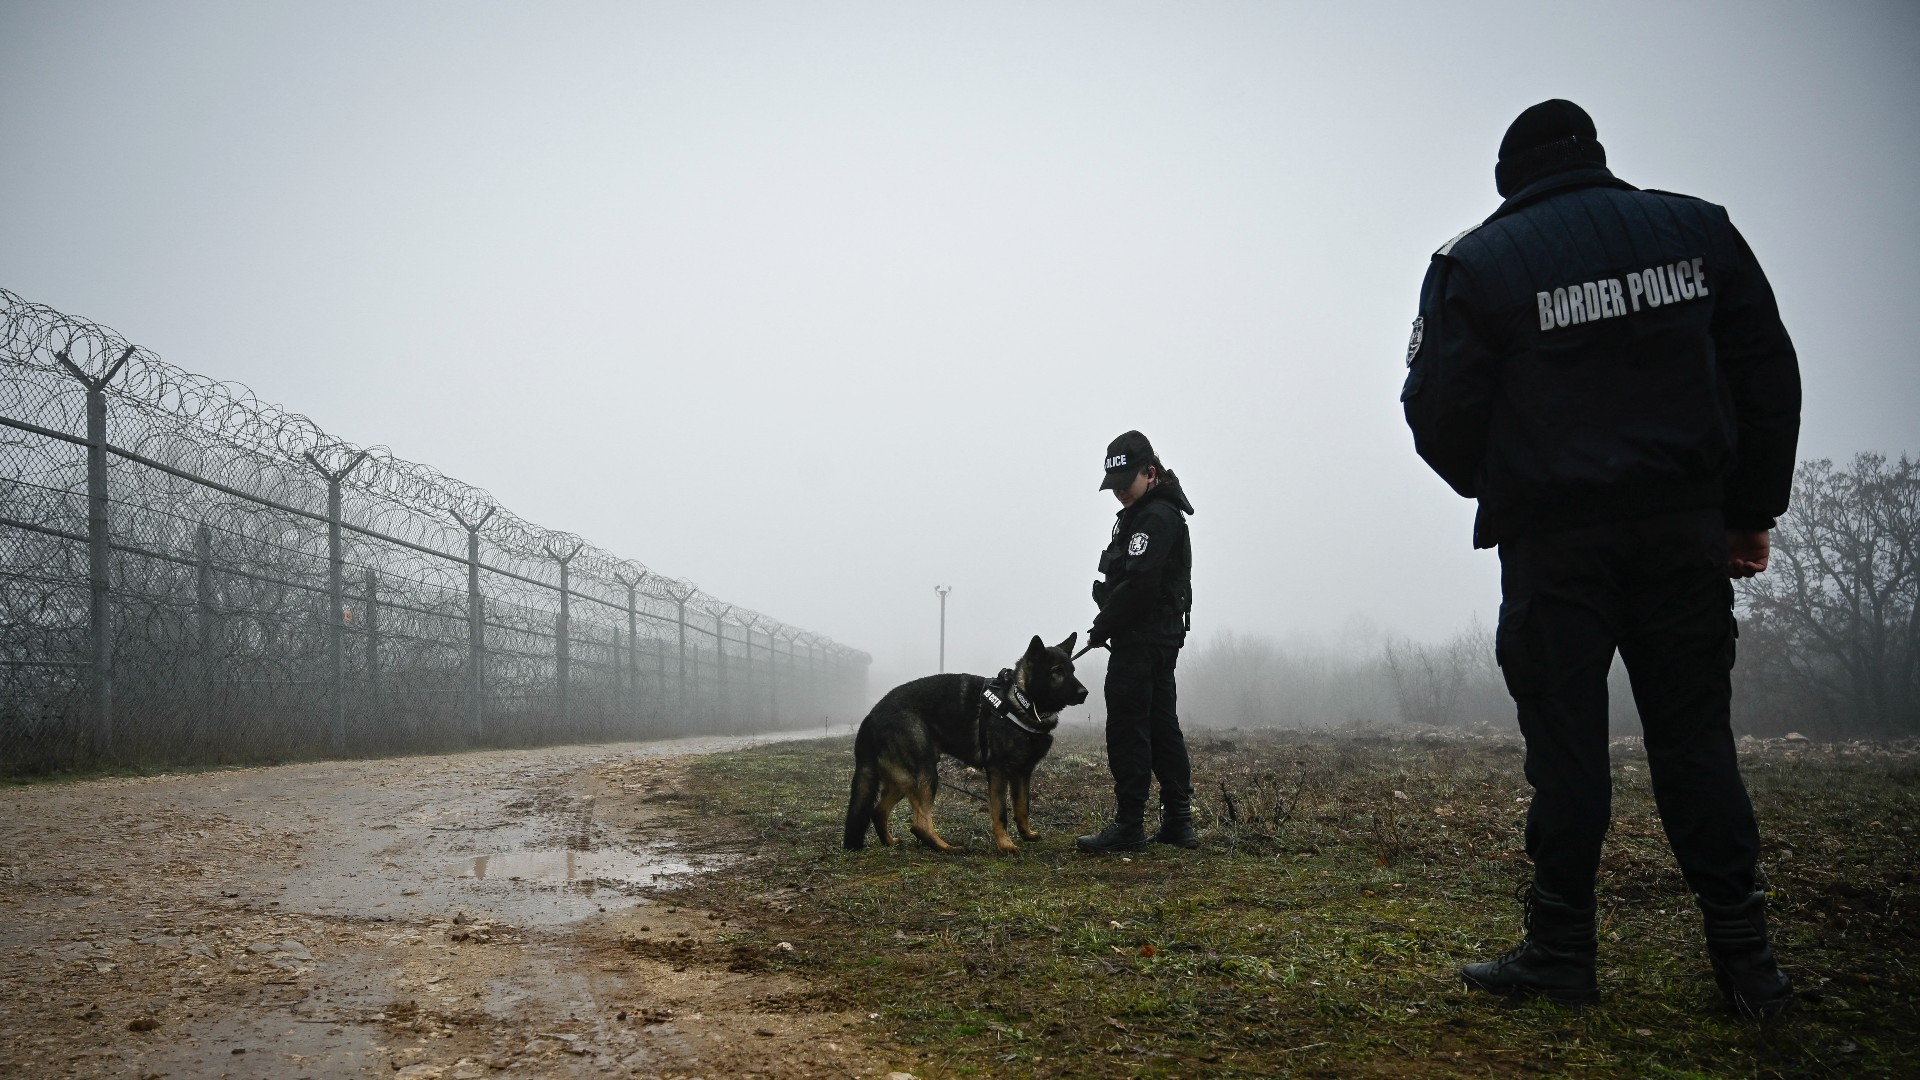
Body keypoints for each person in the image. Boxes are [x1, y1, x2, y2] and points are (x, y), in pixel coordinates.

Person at [1401, 99, 1801, 1018]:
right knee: (1697, 741)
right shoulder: (1698, 232)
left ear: (1511, 179)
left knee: (1568, 750)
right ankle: (1748, 965)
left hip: (1556, 548)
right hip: (1682, 533)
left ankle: (1561, 954)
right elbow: (1766, 372)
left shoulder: (1477, 264)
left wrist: (1509, 483)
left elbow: (1435, 411)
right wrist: (1747, 511)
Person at [1076, 430, 1198, 854]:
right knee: (1163, 725)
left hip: (1142, 640)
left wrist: (1102, 625)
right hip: (1159, 638)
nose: (1120, 493)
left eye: (1126, 483)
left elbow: (1140, 584)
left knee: (1129, 728)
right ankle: (1178, 823)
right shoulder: (1149, 512)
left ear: (1150, 472)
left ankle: (1130, 824)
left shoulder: (1155, 517)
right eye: (1114, 486)